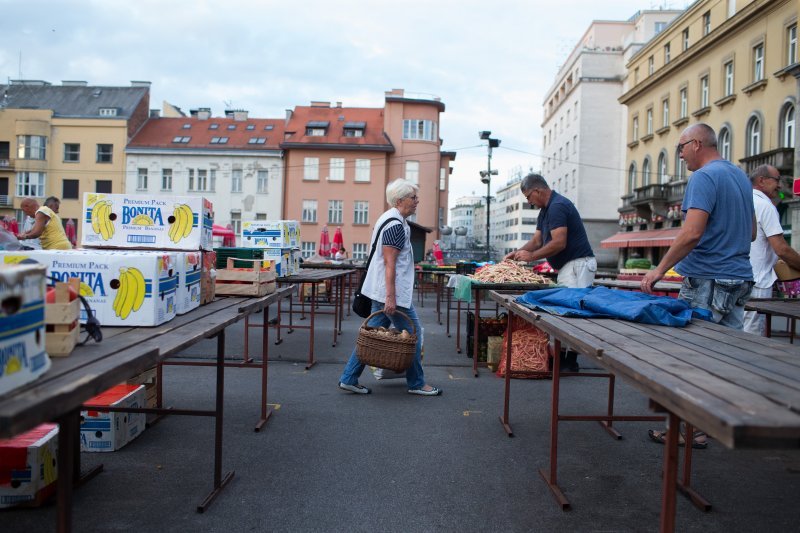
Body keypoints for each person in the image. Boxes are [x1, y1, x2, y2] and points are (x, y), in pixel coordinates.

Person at [642, 123, 754, 450]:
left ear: (696, 144)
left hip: (707, 278)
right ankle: (711, 424)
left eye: (680, 148)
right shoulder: (740, 178)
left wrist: (659, 270)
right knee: (724, 358)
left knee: (691, 356)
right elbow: (750, 234)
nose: (679, 155)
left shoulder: (704, 178)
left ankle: (686, 431)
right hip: (739, 277)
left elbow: (691, 233)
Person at [338, 179, 441, 396]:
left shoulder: (391, 219)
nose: (417, 201)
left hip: (381, 290)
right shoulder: (395, 225)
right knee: (413, 334)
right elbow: (389, 263)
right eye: (413, 197)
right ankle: (417, 383)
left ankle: (349, 378)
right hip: (390, 292)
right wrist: (391, 297)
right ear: (400, 200)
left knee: (371, 335)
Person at [504, 173, 596, 371]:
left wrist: (532, 256)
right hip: (568, 266)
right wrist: (519, 252)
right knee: (565, 311)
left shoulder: (557, 206)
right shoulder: (545, 211)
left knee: (573, 312)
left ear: (537, 191)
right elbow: (537, 240)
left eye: (528, 197)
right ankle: (563, 357)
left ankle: (570, 360)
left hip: (578, 264)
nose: (529, 202)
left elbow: (558, 242)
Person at [742, 165, 800, 335]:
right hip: (758, 283)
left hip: (738, 278)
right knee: (751, 337)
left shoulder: (742, 201)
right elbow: (781, 249)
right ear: (762, 181)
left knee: (734, 332)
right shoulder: (765, 206)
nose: (780, 186)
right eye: (777, 180)